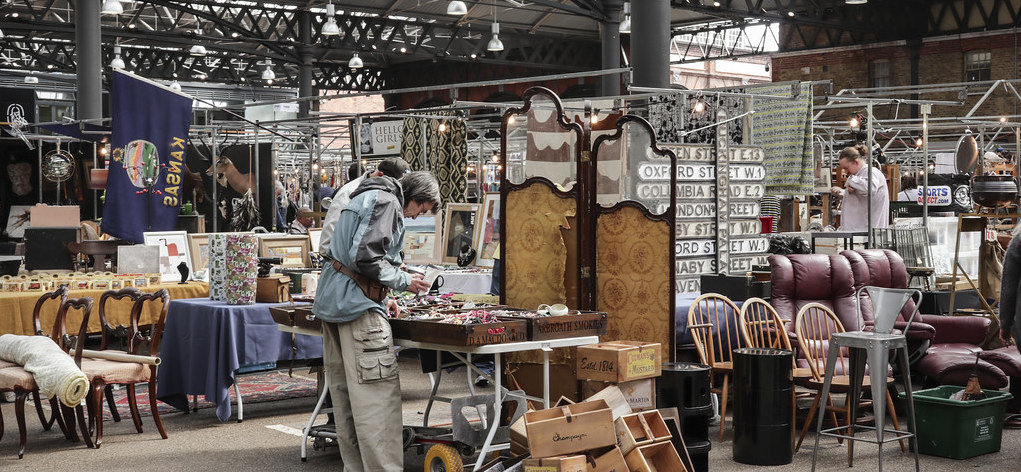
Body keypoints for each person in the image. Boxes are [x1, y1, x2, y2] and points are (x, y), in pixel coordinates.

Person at [312, 171, 439, 471]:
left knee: (347, 408)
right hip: (359, 311)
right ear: (415, 197)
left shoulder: (361, 195)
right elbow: (365, 257)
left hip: (334, 304)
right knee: (377, 408)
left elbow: (348, 253)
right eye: (420, 209)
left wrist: (385, 286)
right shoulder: (388, 202)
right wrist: (403, 280)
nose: (415, 216)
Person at [319, 158, 410, 255]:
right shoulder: (349, 192)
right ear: (380, 176)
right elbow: (329, 236)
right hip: (342, 264)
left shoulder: (380, 195)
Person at [830, 144, 889, 232]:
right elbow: (862, 196)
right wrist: (842, 193)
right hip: (859, 232)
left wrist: (851, 180)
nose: (846, 172)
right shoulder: (859, 176)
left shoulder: (871, 172)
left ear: (856, 162)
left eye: (846, 168)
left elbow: (870, 188)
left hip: (868, 234)